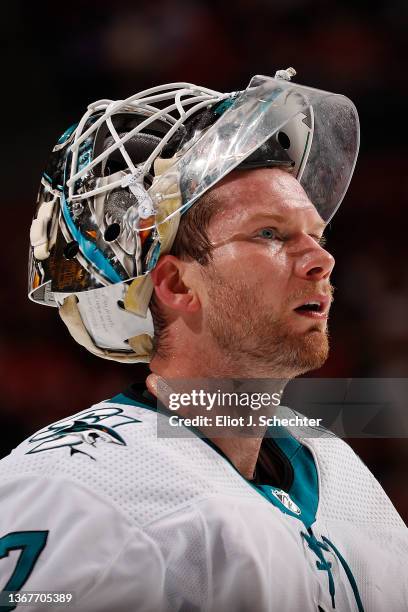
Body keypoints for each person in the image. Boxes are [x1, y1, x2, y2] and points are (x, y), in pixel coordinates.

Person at [0, 71, 406, 611]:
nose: (321, 260)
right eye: (269, 234)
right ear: (175, 284)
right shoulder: (74, 488)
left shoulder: (335, 466)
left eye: (317, 235)